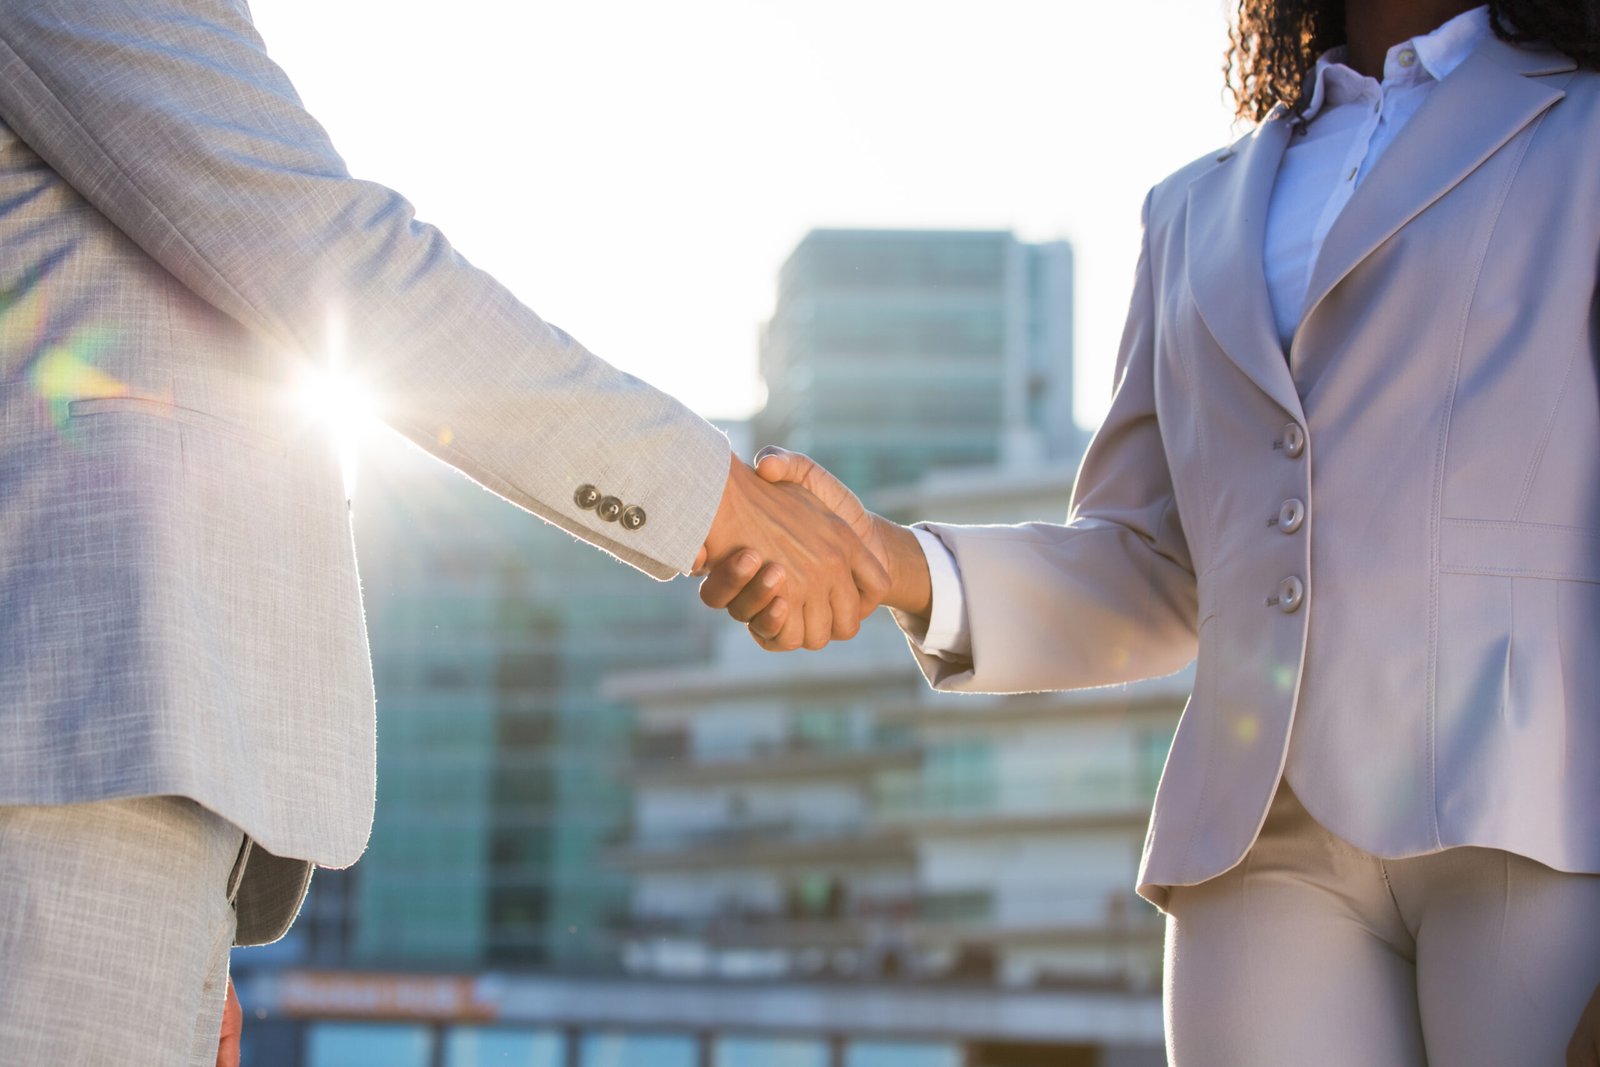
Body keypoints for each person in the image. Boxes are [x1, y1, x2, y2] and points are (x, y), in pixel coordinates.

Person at [703, 2, 1600, 1063]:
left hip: (1540, 813)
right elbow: (1156, 563)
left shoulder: (1582, 128)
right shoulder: (1192, 207)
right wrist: (897, 563)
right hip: (1254, 850)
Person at [0, 0, 887, 1063]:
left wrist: (194, 925)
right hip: (60, 765)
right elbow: (320, 254)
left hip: (112, 785)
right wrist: (718, 502)